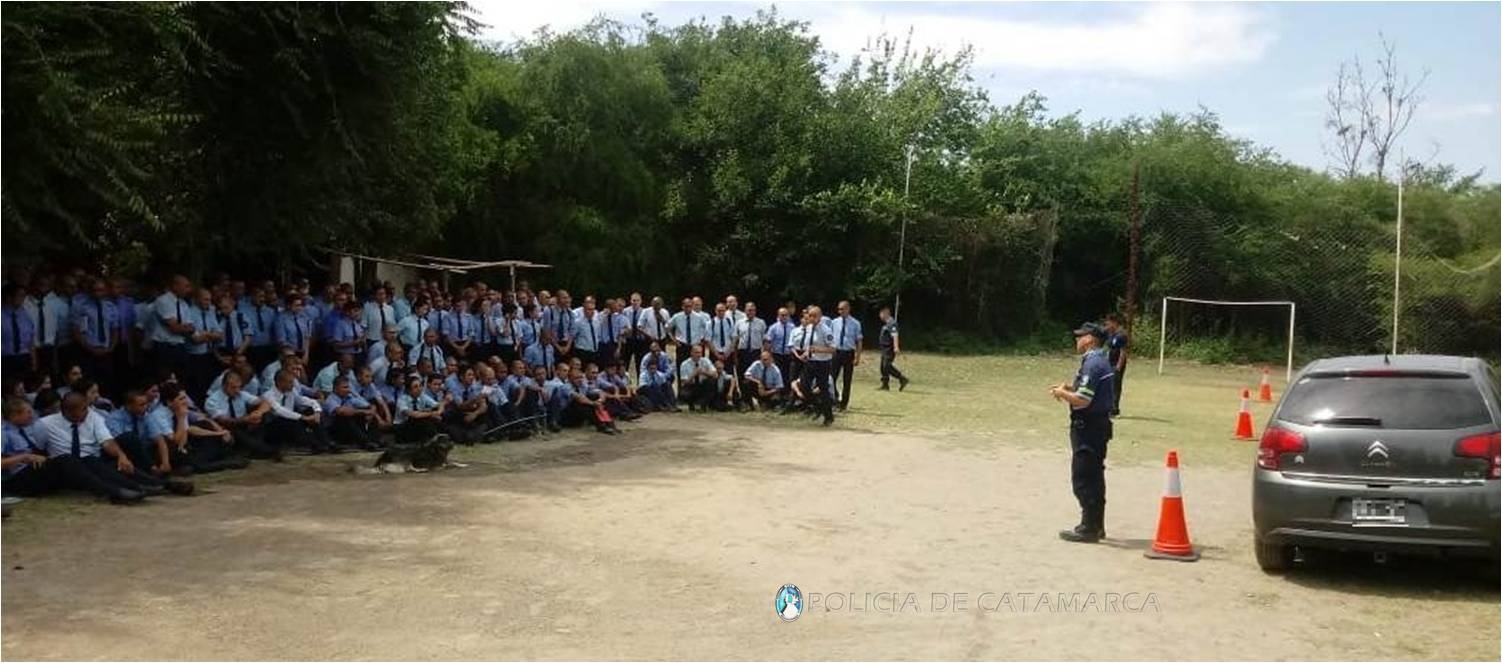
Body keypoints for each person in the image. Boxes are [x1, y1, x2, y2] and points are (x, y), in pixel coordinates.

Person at [1051, 322, 1117, 544]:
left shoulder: (1093, 363)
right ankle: (1096, 525)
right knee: (1094, 476)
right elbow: (1088, 392)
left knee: (1084, 477)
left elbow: (1083, 400)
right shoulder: (1099, 360)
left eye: (1080, 336)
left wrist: (1061, 393)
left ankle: (1089, 527)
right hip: (1095, 426)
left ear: (1090, 339)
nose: (1077, 340)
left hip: (1088, 427)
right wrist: (1070, 389)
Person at [39, 392, 167, 503]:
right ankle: (115, 492)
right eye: (83, 409)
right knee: (71, 460)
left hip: (90, 460)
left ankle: (147, 486)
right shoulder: (45, 424)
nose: (87, 411)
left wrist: (121, 456)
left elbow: (107, 441)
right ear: (68, 411)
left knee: (98, 462)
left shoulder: (93, 417)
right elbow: (35, 446)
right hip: (65, 467)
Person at [204, 372, 281, 461]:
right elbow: (224, 420)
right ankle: (268, 450)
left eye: (239, 387)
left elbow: (265, 402)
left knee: (266, 415)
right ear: (224, 386)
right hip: (226, 428)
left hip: (244, 424)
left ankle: (257, 449)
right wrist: (245, 419)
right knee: (236, 432)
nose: (237, 390)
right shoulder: (212, 401)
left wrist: (259, 413)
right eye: (233, 388)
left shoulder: (241, 394)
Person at [263, 369, 337, 454]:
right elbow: (280, 411)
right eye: (290, 382)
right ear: (280, 382)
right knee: (289, 420)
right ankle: (311, 445)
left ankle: (326, 442)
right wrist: (304, 417)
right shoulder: (268, 395)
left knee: (310, 412)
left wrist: (317, 412)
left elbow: (305, 400)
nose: (293, 385)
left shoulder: (291, 392)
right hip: (274, 426)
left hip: (291, 421)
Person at [71, 278, 119, 396]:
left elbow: (114, 330)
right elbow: (77, 331)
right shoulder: (81, 307)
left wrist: (111, 348)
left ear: (105, 291)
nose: (98, 293)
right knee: (88, 382)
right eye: (95, 290)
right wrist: (90, 348)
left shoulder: (110, 307)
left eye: (101, 290)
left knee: (107, 382)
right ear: (89, 291)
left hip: (106, 350)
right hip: (88, 351)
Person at [2, 397, 54, 497]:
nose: (32, 416)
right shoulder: (3, 434)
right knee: (63, 462)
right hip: (16, 477)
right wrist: (25, 457)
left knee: (64, 461)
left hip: (33, 469)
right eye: (28, 412)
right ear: (14, 415)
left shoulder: (24, 429)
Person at [800, 306, 837, 426]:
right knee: (804, 385)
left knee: (823, 389)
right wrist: (806, 353)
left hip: (822, 363)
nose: (811, 318)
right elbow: (808, 345)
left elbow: (833, 349)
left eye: (814, 316)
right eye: (810, 315)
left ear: (820, 316)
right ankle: (818, 406)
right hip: (811, 361)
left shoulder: (826, 330)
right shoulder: (808, 328)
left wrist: (818, 349)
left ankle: (828, 416)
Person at [323, 376, 382, 450]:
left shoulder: (349, 397)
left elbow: (370, 406)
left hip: (349, 430)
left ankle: (374, 440)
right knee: (345, 417)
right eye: (345, 387)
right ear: (335, 388)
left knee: (367, 414)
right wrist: (364, 412)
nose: (348, 390)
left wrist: (371, 412)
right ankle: (365, 441)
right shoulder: (330, 400)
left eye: (348, 387)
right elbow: (341, 411)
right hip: (334, 430)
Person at [830, 300, 862, 411]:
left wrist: (858, 356)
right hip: (836, 352)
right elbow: (830, 337)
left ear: (848, 309)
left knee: (847, 379)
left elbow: (859, 341)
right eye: (839, 309)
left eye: (842, 309)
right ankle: (834, 399)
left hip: (848, 352)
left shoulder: (855, 323)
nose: (840, 311)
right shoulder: (834, 322)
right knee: (831, 378)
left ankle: (844, 403)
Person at [394, 375, 444, 444]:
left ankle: (435, 438)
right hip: (402, 426)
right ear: (408, 390)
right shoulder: (402, 400)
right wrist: (431, 414)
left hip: (417, 424)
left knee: (434, 418)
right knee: (422, 419)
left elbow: (440, 404)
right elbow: (413, 415)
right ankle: (432, 439)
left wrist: (438, 412)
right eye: (415, 387)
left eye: (420, 386)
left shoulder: (422, 396)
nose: (419, 389)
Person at [2, 284, 37, 382]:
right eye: (20, 295)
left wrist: (33, 360)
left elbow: (31, 340)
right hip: (5, 358)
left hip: (24, 357)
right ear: (9, 297)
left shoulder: (26, 315)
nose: (23, 299)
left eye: (24, 296)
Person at [876, 306, 909, 391]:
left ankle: (902, 378)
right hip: (884, 349)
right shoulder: (886, 324)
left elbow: (895, 335)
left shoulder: (892, 323)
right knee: (882, 367)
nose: (880, 316)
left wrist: (896, 347)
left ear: (885, 313)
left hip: (889, 349)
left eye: (881, 314)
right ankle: (885, 385)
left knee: (886, 366)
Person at [637, 342, 678, 412]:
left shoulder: (664, 356)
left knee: (667, 384)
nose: (656, 353)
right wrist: (651, 373)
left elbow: (669, 368)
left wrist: (664, 376)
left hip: (660, 376)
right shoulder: (646, 359)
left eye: (657, 350)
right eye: (654, 351)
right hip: (646, 386)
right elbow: (643, 382)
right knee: (654, 387)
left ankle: (673, 404)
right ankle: (663, 404)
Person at [1103, 313, 1129, 417]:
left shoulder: (1121, 335)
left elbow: (1123, 351)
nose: (1107, 326)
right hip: (1109, 362)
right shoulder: (1111, 334)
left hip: (1116, 363)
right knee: (1108, 385)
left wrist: (1119, 365)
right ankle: (1108, 406)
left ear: (1114, 322)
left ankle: (1114, 409)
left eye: (1108, 323)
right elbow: (1108, 348)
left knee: (1115, 386)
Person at [677, 345, 717, 412]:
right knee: (684, 393)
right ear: (691, 353)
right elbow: (684, 382)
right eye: (696, 352)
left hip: (703, 385)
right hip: (691, 386)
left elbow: (715, 374)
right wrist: (694, 374)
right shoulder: (685, 364)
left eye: (700, 353)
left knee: (711, 382)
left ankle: (703, 405)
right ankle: (691, 404)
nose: (698, 355)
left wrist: (704, 372)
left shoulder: (706, 361)